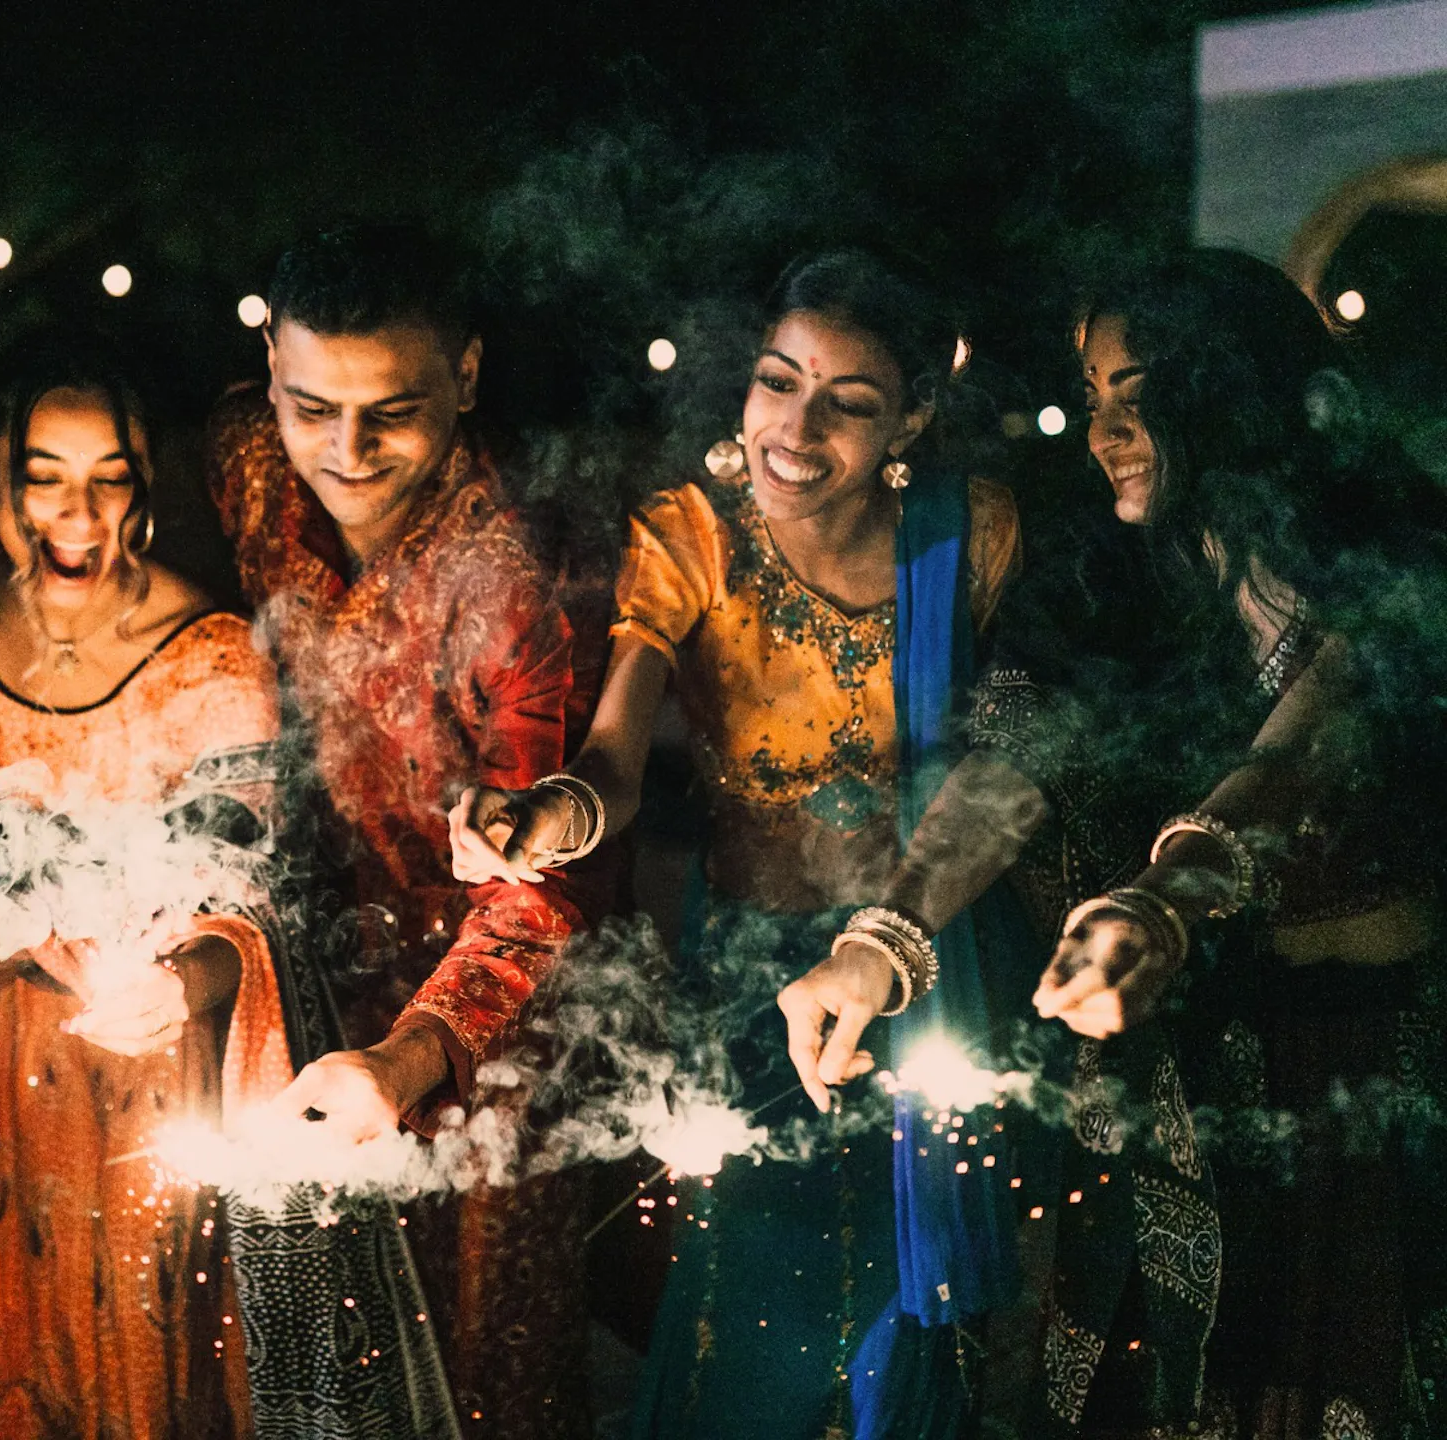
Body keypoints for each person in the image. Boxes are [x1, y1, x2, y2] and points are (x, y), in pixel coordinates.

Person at [452, 248, 1022, 1438]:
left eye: (851, 403)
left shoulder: (968, 533)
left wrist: (901, 933)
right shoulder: (692, 535)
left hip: (930, 956)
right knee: (755, 1318)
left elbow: (1012, 759)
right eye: (777, 381)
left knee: (907, 1318)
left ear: (911, 417)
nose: (797, 428)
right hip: (760, 987)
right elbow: (610, 760)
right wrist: (545, 817)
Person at [0, 341, 452, 1440]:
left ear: (145, 487)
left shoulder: (210, 654)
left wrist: (175, 988)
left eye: (111, 475)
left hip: (153, 1060)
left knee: (147, 1357)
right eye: (44, 473)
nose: (79, 510)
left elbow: (246, 897)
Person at [1029, 251, 1447, 1438]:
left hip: (1376, 1070)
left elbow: (1300, 745)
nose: (1104, 431)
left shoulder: (1389, 563)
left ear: (1224, 385)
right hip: (1218, 1069)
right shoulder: (1154, 578)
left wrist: (1166, 892)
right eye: (1094, 396)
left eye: (1135, 391)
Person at [207, 222, 609, 1436]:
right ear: (269, 365)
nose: (347, 450)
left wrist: (413, 1058)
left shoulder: (515, 582)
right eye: (311, 405)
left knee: (477, 1374)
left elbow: (539, 893)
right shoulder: (242, 455)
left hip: (481, 1032)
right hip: (293, 991)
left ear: (470, 376)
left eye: (393, 410)